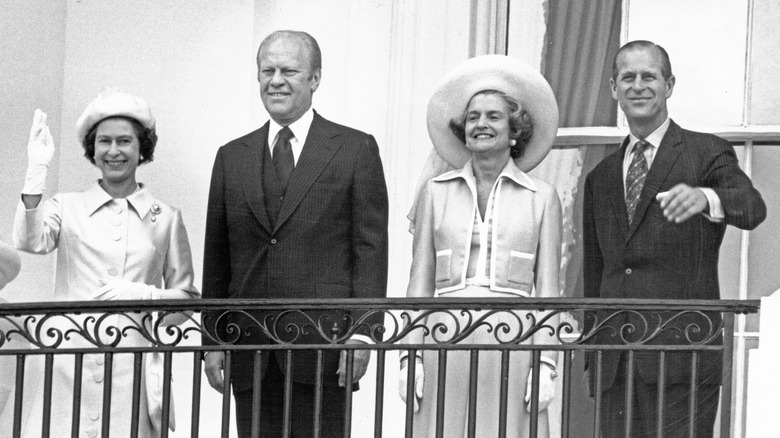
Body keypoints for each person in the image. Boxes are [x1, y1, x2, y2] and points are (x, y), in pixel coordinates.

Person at [202, 30, 388, 437]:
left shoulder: (355, 149)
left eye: (289, 70)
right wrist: (213, 338)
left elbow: (370, 249)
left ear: (315, 78)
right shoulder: (232, 156)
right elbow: (217, 257)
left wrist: (364, 334)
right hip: (249, 345)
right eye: (267, 70)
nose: (276, 80)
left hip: (324, 344)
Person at [583, 40, 766, 437]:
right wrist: (592, 352)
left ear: (669, 85)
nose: (638, 86)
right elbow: (594, 269)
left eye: (649, 76)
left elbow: (752, 208)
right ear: (614, 88)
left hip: (683, 352)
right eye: (627, 77)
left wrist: (705, 196)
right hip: (615, 359)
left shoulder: (706, 151)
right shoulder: (600, 176)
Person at [9, 90, 200, 437]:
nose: (114, 151)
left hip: (133, 367)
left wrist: (147, 296)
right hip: (68, 361)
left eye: (124, 141)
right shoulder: (66, 206)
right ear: (92, 150)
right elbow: (28, 240)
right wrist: (36, 171)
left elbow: (187, 298)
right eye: (104, 141)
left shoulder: (167, 218)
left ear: (142, 148)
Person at [401, 55, 561, 437]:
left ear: (514, 131)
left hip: (515, 340)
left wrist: (546, 365)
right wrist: (410, 357)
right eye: (473, 117)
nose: (480, 124)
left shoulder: (542, 197)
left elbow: (550, 291)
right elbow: (419, 283)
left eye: (493, 116)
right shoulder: (436, 192)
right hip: (445, 336)